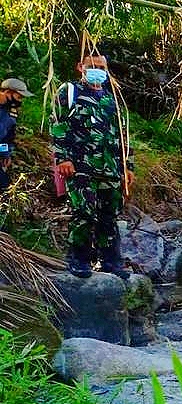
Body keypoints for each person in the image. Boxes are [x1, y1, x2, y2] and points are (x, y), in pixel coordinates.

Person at [52, 54, 134, 279]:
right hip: (81, 167)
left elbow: (123, 136)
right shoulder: (70, 92)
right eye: (92, 67)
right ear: (81, 67)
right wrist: (63, 158)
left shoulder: (112, 99)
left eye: (101, 67)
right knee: (84, 213)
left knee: (109, 215)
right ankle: (78, 258)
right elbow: (59, 125)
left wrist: (128, 166)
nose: (97, 71)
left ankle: (110, 262)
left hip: (111, 168)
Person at [0, 78, 33, 191]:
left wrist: (5, 154)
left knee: (5, 186)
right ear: (8, 92)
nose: (20, 101)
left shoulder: (11, 112)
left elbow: (8, 137)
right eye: (19, 97)